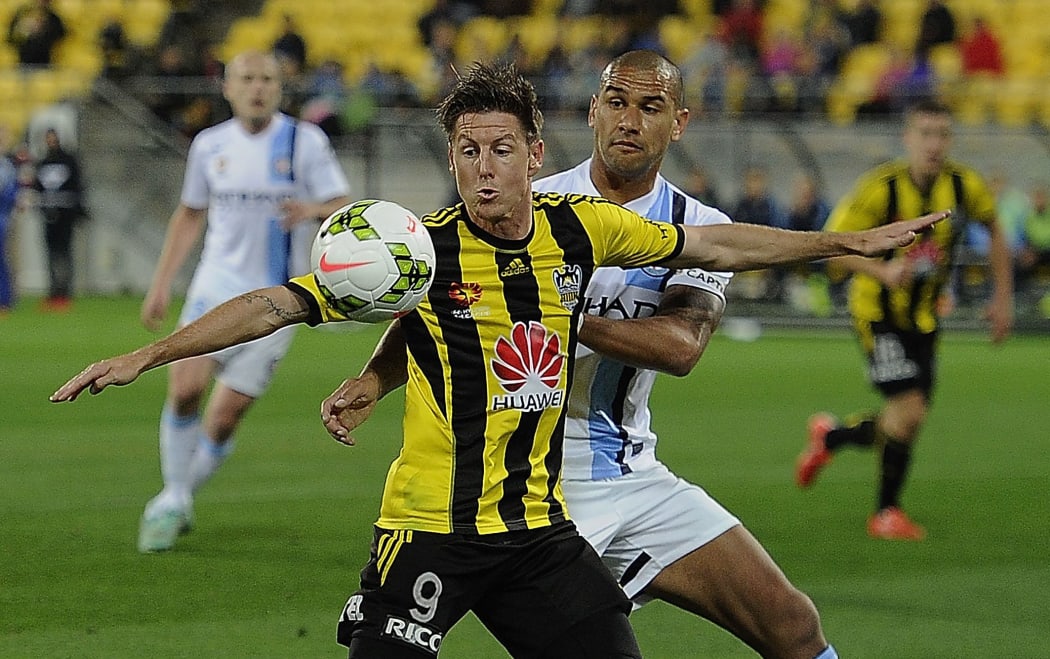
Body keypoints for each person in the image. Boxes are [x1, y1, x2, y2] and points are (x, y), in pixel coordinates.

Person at [51, 62, 943, 656]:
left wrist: (847, 240)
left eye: (502, 151)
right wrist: (152, 351)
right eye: (468, 153)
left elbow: (714, 251)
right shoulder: (426, 251)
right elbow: (281, 300)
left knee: (764, 626)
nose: (485, 170)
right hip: (438, 521)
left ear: (534, 154)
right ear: (454, 158)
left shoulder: (582, 228)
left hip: (543, 525)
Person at [532, 50, 834, 658]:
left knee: (792, 625)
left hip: (630, 474)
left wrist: (564, 316)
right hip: (534, 481)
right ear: (593, 111)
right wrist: (374, 381)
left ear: (680, 123)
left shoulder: (698, 227)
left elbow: (680, 346)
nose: (629, 120)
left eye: (651, 107)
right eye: (616, 103)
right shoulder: (529, 209)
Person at [132, 50, 351, 554]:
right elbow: (190, 214)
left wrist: (312, 209)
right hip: (214, 287)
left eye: (267, 79)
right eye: (247, 78)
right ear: (227, 88)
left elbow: (342, 204)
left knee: (226, 416)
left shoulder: (305, 141)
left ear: (280, 87)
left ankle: (176, 498)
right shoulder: (210, 146)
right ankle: (172, 499)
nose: (257, 87)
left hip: (277, 301)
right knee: (185, 389)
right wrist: (161, 282)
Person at [796, 100, 1013, 541]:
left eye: (942, 134)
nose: (934, 144)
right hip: (876, 312)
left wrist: (1002, 298)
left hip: (925, 318)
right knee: (908, 413)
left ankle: (832, 437)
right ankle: (885, 514)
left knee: (904, 420)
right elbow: (837, 246)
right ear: (908, 139)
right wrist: (883, 271)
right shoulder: (881, 188)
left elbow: (993, 227)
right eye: (925, 134)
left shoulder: (962, 183)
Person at [32, 127, 84, 311]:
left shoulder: (68, 161)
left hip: (65, 215)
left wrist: (79, 210)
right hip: (49, 215)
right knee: (51, 254)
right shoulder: (43, 162)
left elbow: (78, 186)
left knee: (64, 253)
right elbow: (37, 187)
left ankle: (64, 293)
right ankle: (54, 292)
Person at [6, 0, 66, 67]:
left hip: (46, 63)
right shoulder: (22, 14)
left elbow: (60, 37)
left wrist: (43, 30)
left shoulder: (54, 18)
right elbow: (11, 38)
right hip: (23, 62)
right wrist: (23, 30)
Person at [0, 124, 19, 314]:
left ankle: (5, 300)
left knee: (1, 260)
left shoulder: (6, 166)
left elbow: (11, 194)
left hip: (1, 219)